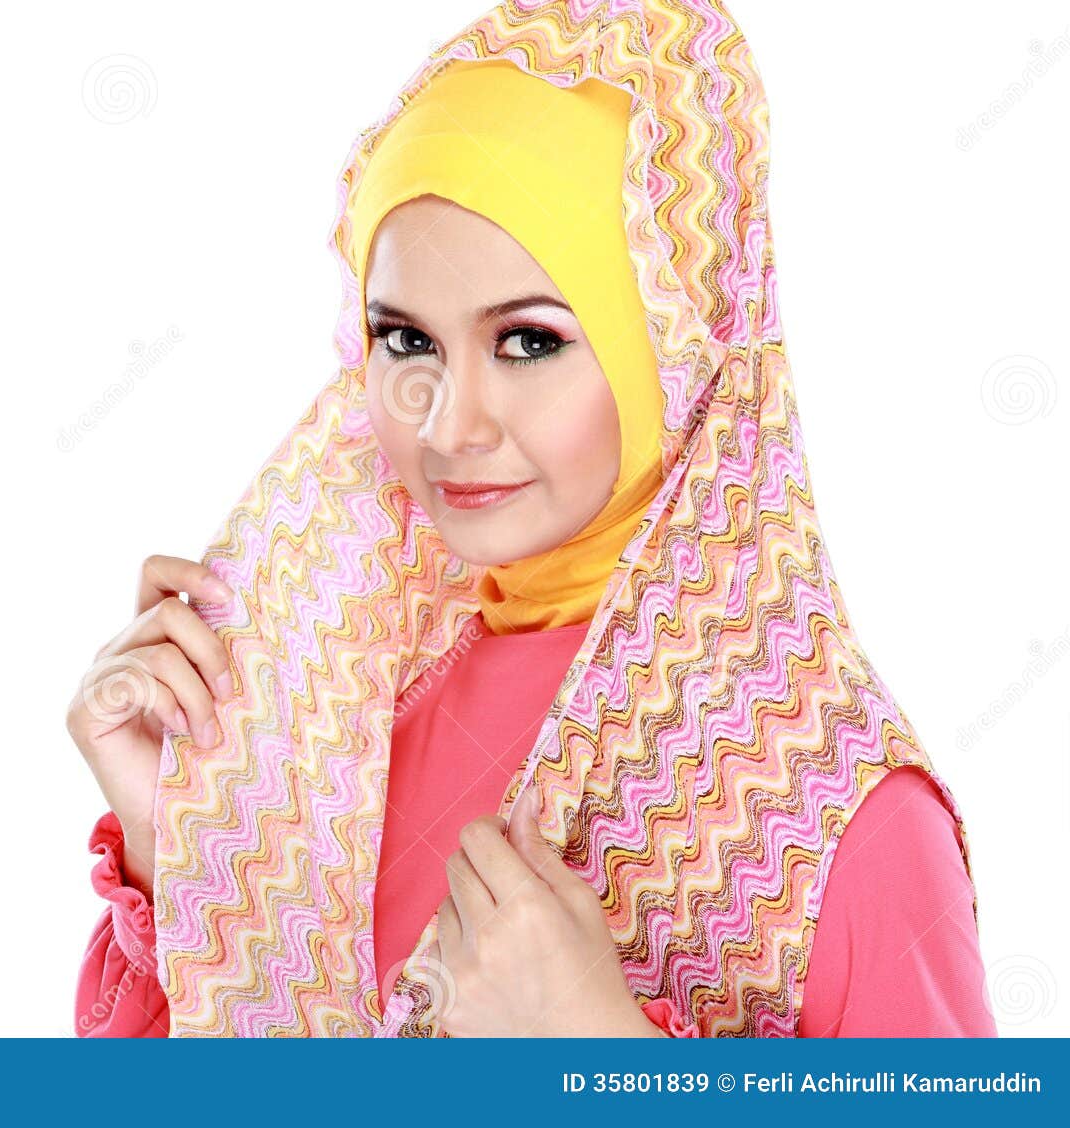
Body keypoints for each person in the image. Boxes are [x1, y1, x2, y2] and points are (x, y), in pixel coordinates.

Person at [67, 0, 996, 1037]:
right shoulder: (339, 720)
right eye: (406, 341)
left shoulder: (838, 819)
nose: (450, 424)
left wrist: (601, 1047)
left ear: (674, 352)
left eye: (528, 343)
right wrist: (188, 848)